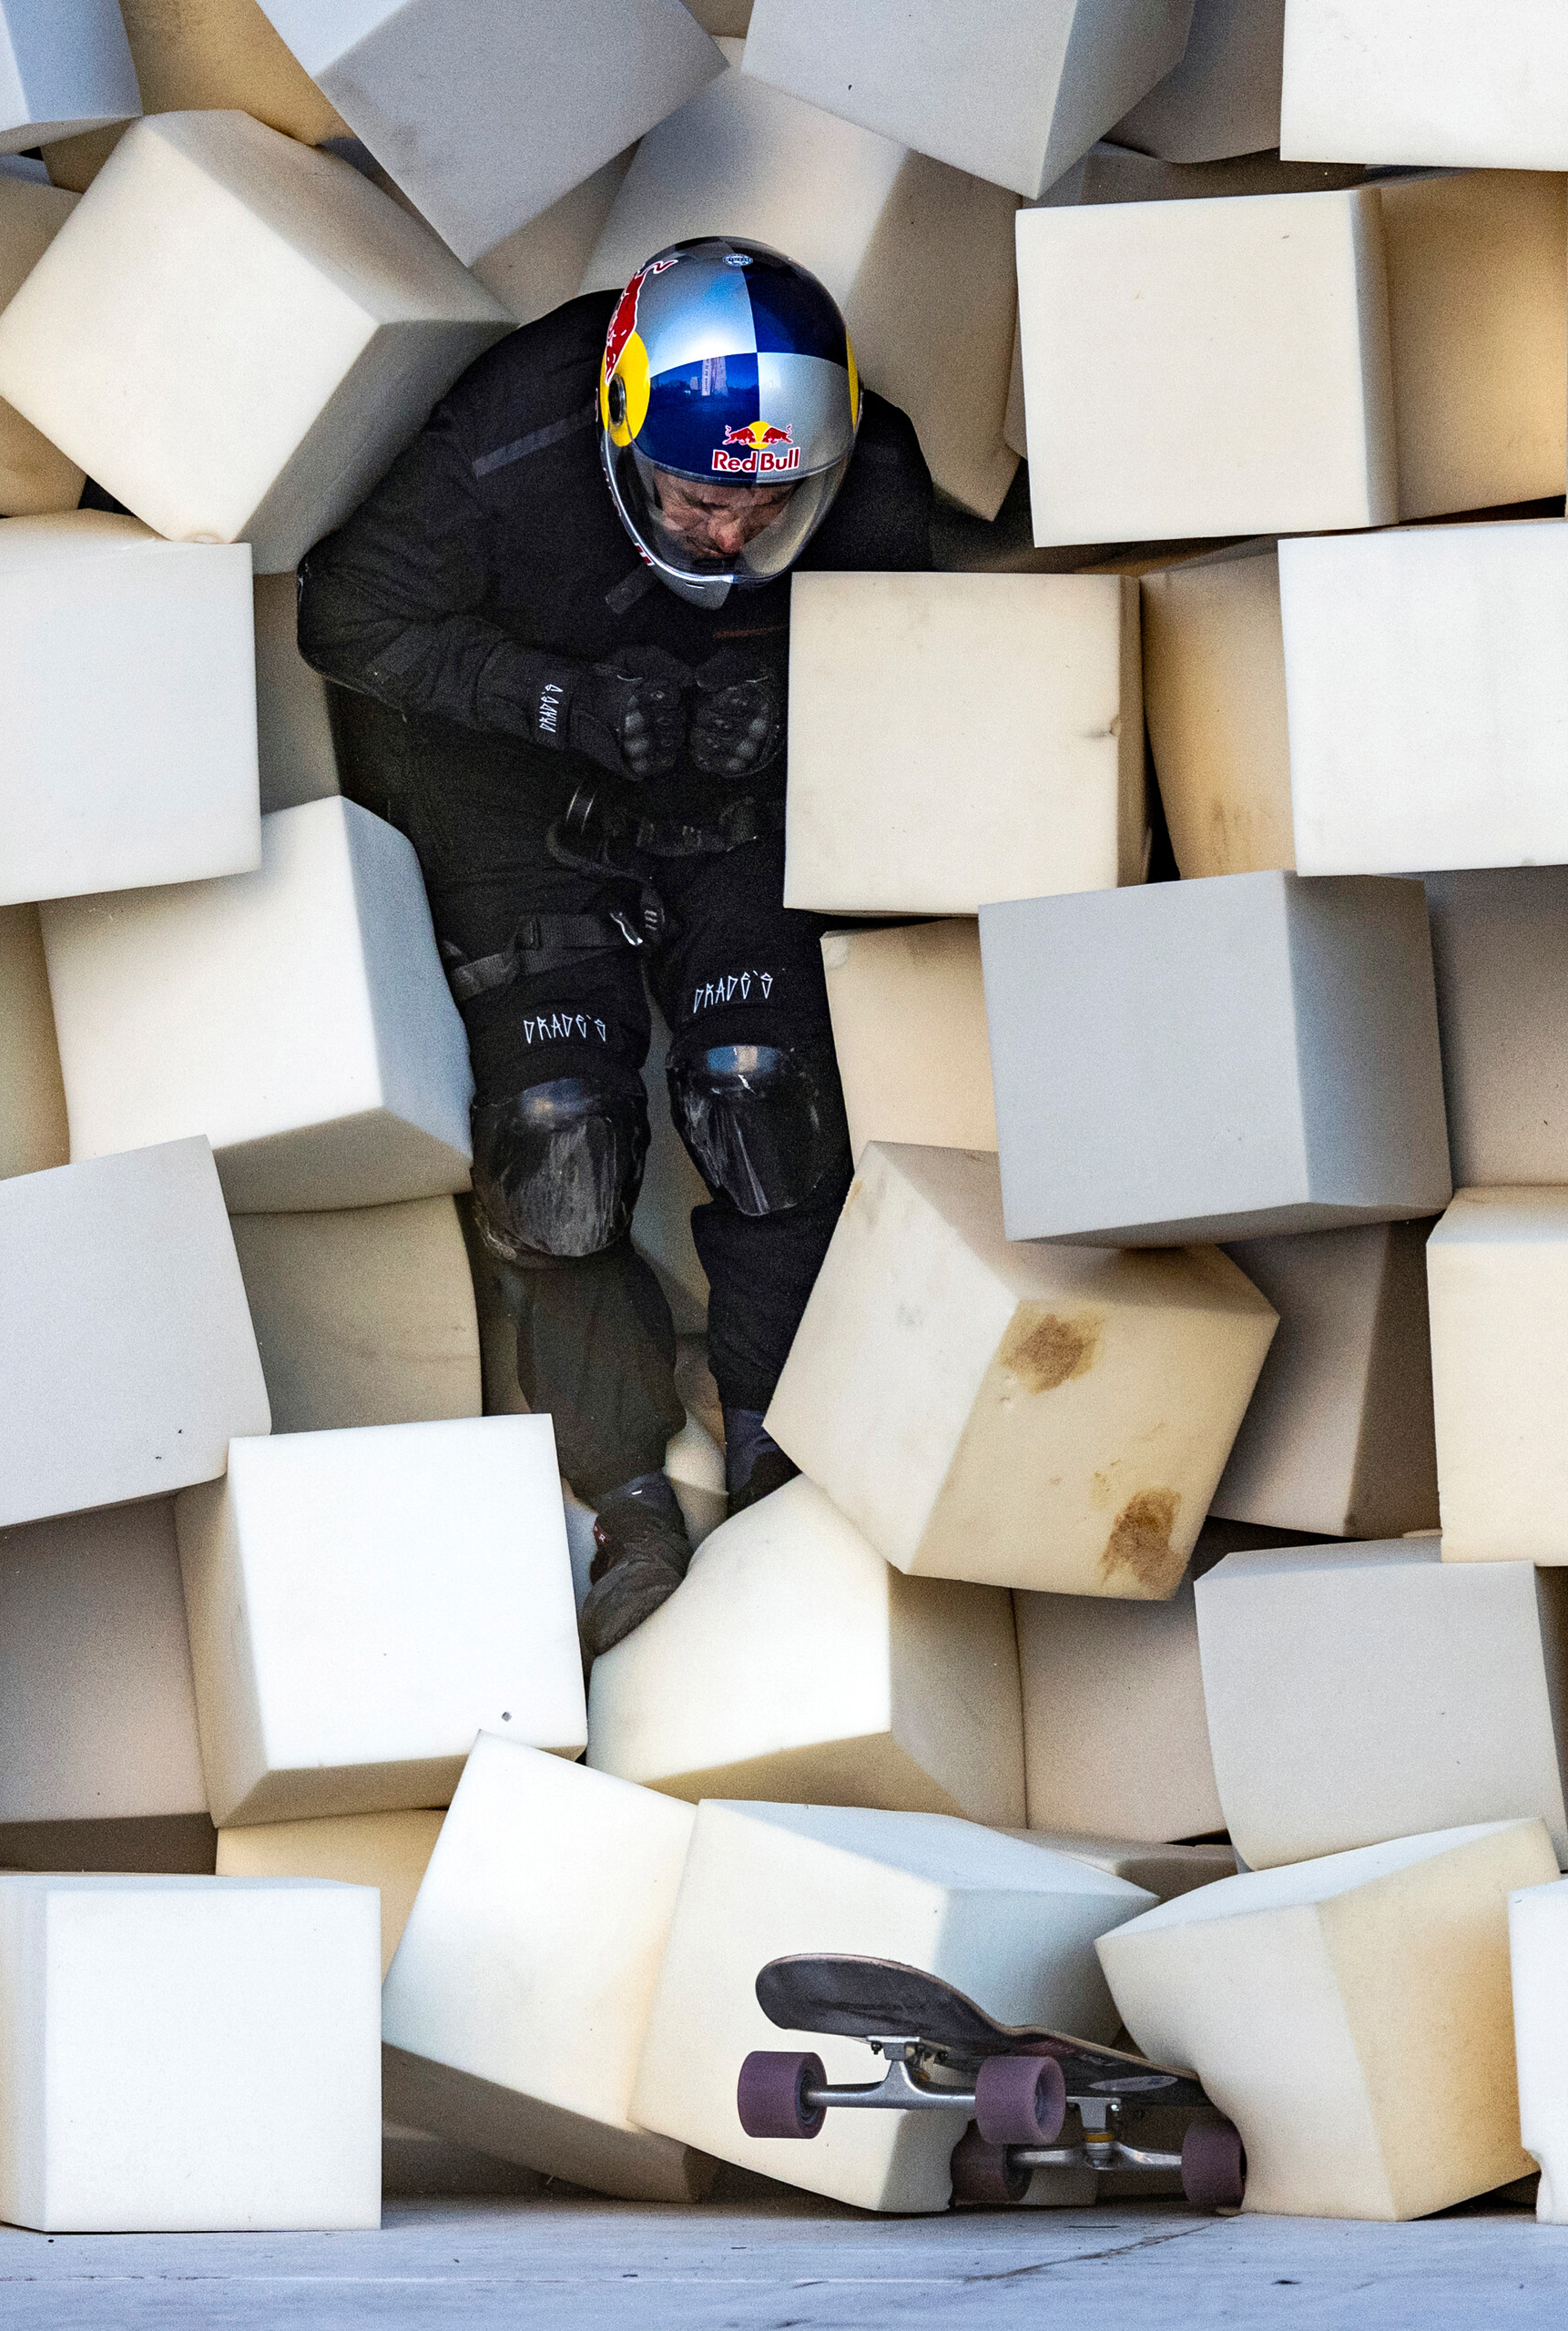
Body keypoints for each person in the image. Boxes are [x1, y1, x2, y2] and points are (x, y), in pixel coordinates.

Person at [298, 236, 933, 1654]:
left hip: (734, 802)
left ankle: (778, 1449)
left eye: (772, 512)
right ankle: (623, 1500)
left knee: (765, 1103)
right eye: (702, 499)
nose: (727, 539)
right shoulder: (511, 438)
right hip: (523, 796)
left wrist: (795, 687)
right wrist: (551, 703)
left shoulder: (866, 467)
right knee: (558, 1143)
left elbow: (933, 633)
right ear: (621, 430)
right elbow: (342, 613)